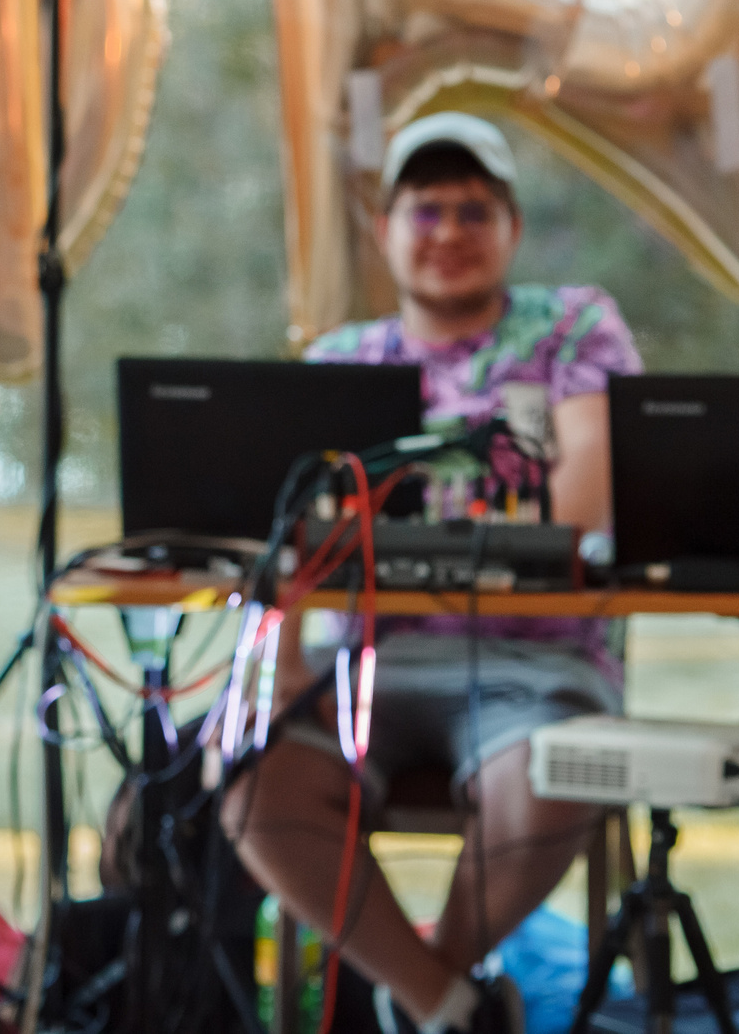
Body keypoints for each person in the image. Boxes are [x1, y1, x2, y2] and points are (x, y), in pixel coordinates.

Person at [223, 112, 640, 1034]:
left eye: (473, 210)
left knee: (550, 775)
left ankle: (423, 1002)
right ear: (386, 230)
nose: (448, 231)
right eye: (425, 211)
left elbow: (580, 507)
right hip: (365, 668)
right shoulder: (338, 362)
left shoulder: (572, 329)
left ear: (512, 229)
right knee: (257, 791)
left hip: (537, 669)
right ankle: (455, 1008)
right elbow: (290, 546)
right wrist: (285, 661)